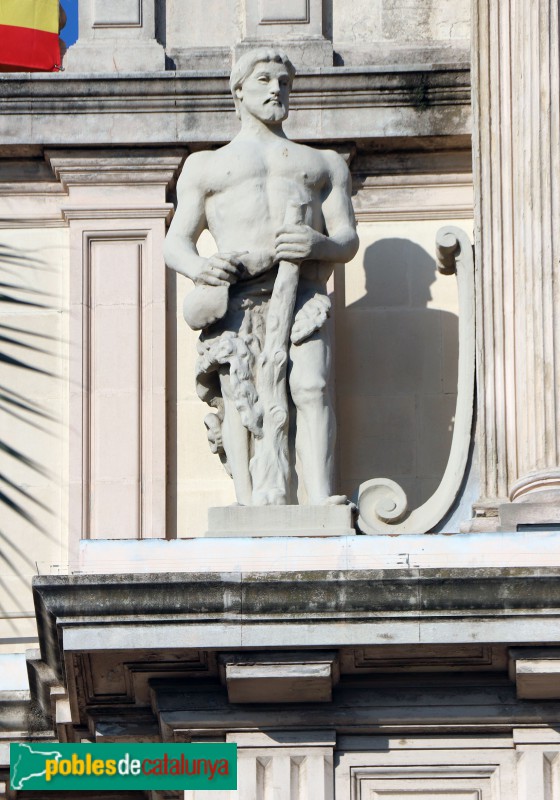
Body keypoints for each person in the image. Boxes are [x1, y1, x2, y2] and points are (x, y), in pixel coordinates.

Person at [164, 47, 359, 506]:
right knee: (241, 400)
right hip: (237, 299)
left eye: (284, 82)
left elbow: (347, 239)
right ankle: (249, 501)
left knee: (311, 386)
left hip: (303, 293)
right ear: (239, 91)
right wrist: (201, 267)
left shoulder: (322, 163)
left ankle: (320, 498)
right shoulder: (206, 166)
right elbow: (176, 243)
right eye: (265, 80)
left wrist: (319, 246)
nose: (277, 89)